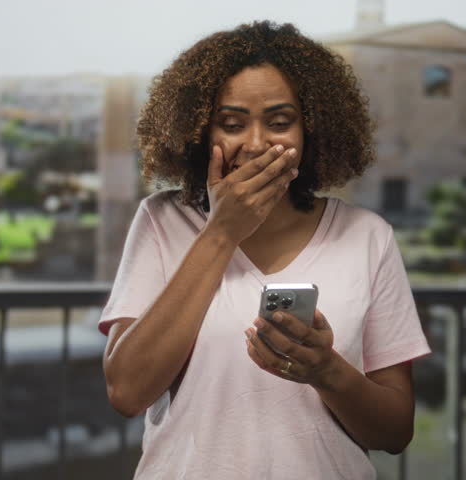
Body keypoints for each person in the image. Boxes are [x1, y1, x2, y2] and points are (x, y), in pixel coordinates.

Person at [99, 20, 430, 479]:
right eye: (231, 124)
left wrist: (325, 369)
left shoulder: (367, 236)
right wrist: (221, 232)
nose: (255, 145)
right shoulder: (161, 221)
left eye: (280, 122)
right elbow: (127, 391)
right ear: (200, 132)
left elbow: (394, 433)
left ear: (312, 130)